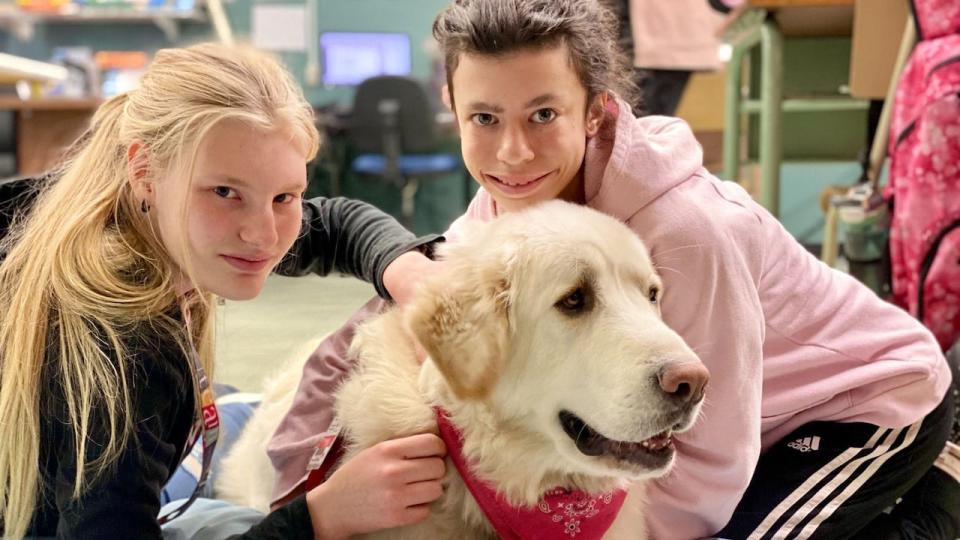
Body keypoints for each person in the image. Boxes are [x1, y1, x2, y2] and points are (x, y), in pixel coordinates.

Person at [266, 1, 960, 538]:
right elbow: (376, 341)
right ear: (453, 112)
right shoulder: (501, 212)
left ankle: (936, 497)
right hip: (730, 418)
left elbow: (712, 462)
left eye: (543, 114)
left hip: (861, 406)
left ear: (594, 112)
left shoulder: (685, 231)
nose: (511, 152)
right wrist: (299, 486)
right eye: (484, 117)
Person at [0, 43, 450, 539]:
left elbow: (336, 223)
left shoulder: (102, 207)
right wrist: (320, 516)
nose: (263, 234)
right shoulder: (132, 352)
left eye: (285, 196)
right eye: (225, 193)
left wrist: (405, 269)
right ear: (144, 170)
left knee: (241, 414)